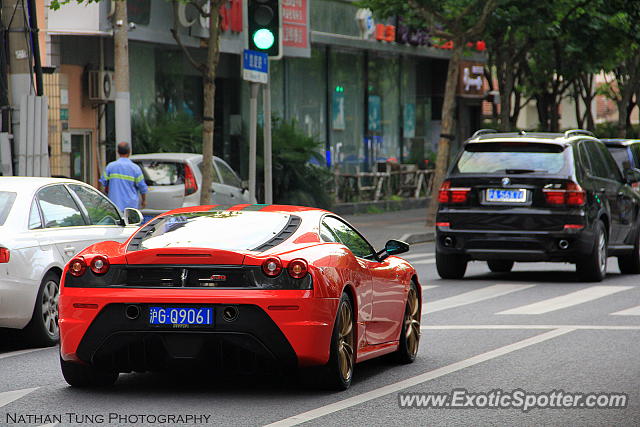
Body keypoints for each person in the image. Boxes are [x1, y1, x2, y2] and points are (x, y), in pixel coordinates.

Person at [99, 142, 147, 212]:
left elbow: (103, 182)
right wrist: (144, 201)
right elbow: (142, 187)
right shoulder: (135, 168)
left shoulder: (110, 166)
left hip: (114, 206)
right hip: (131, 207)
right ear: (129, 152)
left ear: (117, 152)